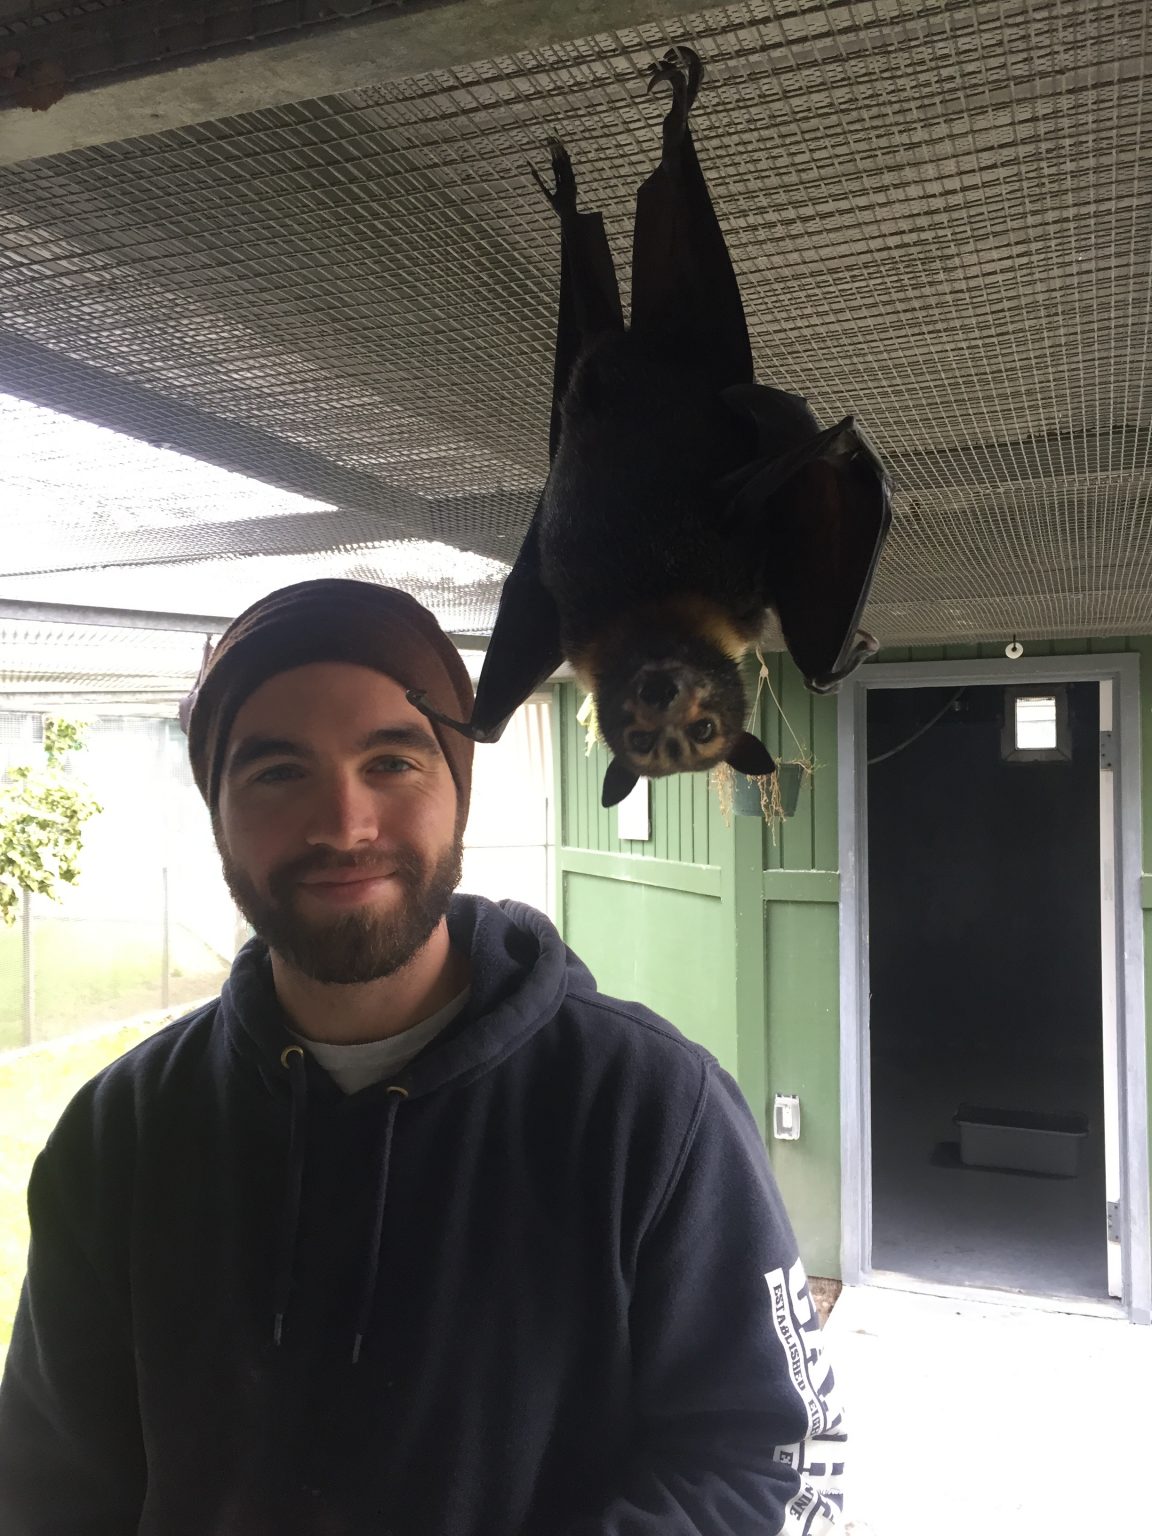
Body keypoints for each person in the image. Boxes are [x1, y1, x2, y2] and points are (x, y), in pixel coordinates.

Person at [0, 578, 846, 1536]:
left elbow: (761, 1459)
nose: (345, 825)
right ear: (217, 812)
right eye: (277, 773)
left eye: (393, 761)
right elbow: (50, 1486)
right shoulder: (122, 1136)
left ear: (458, 792)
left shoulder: (648, 1110)